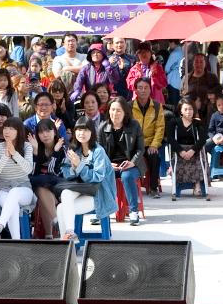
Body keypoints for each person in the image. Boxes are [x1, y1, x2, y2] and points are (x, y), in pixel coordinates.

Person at [55, 116, 117, 242]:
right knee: (65, 195)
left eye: (85, 130)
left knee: (62, 209)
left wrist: (80, 165)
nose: (81, 133)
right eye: (78, 130)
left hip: (98, 194)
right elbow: (67, 174)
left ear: (92, 132)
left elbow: (97, 177)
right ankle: (70, 235)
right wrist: (73, 168)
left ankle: (68, 245)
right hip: (80, 190)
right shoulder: (74, 150)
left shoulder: (98, 151)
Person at [0, 117, 36, 240]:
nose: (7, 131)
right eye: (5, 128)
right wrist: (5, 156)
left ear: (19, 131)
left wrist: (14, 153)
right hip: (3, 187)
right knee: (13, 205)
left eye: (11, 128)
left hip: (23, 187)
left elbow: (28, 169)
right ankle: (16, 241)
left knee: (14, 193)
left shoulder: (27, 146)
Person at [100, 97, 145, 225]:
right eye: (112, 110)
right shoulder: (102, 127)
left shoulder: (134, 125)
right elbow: (98, 152)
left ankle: (133, 211)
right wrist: (107, 164)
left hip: (132, 164)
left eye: (119, 111)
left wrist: (132, 162)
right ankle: (103, 210)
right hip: (111, 165)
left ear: (125, 112)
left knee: (127, 176)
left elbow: (141, 149)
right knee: (101, 176)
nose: (115, 113)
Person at [28, 118, 65, 238]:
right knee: (40, 187)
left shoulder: (63, 148)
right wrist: (35, 152)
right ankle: (54, 226)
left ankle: (50, 232)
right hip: (43, 187)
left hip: (59, 187)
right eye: (41, 132)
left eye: (48, 130)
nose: (45, 135)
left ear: (55, 131)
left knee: (42, 184)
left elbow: (54, 173)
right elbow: (32, 173)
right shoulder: (37, 147)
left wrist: (55, 152)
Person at [168, 98, 208, 200]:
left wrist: (192, 150)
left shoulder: (197, 123)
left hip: (194, 150)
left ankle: (197, 184)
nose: (188, 112)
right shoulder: (174, 122)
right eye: (185, 109)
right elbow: (171, 139)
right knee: (177, 160)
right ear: (180, 110)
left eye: (190, 109)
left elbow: (203, 139)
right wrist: (181, 151)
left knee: (199, 159)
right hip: (179, 150)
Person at [132, 76, 165, 196]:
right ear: (135, 90)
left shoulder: (157, 106)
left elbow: (160, 127)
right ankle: (133, 186)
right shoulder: (129, 106)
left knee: (154, 157)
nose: (143, 90)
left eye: (146, 88)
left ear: (150, 90)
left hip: (150, 143)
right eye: (140, 88)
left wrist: (154, 145)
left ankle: (153, 188)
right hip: (134, 144)